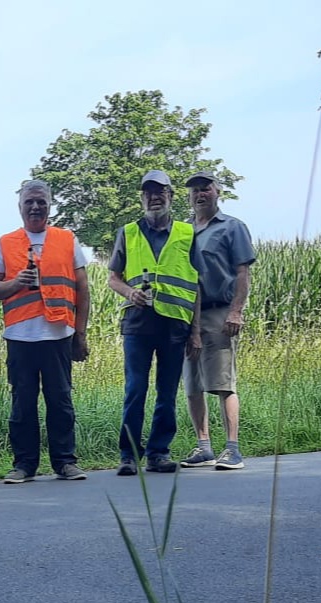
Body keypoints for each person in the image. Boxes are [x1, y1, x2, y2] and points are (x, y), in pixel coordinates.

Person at [0, 179, 91, 484]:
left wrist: (80, 334)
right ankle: (24, 464)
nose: (35, 207)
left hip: (59, 335)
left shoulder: (67, 240)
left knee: (60, 401)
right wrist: (15, 283)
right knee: (22, 403)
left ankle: (65, 462)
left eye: (41, 202)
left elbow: (83, 289)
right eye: (29, 202)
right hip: (20, 337)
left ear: (49, 205)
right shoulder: (6, 243)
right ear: (19, 207)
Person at [107, 170, 201, 476]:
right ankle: (129, 454)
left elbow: (197, 283)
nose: (154, 197)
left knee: (167, 391)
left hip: (175, 324)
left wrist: (195, 331)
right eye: (148, 192)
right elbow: (113, 278)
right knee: (135, 389)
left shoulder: (187, 235)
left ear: (171, 196)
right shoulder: (128, 232)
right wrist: (130, 292)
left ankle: (158, 453)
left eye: (160, 191)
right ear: (142, 197)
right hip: (137, 323)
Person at [179, 171, 255, 471]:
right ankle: (203, 447)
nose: (200, 194)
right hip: (188, 316)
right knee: (192, 384)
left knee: (222, 382)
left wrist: (236, 311)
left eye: (205, 189)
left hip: (218, 311)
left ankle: (232, 448)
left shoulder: (232, 227)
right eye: (195, 190)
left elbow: (242, 273)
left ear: (217, 192)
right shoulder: (183, 232)